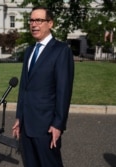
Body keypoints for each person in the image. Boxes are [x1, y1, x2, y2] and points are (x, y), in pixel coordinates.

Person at [12, 6, 74, 167]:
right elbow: (24, 87)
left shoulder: (61, 51)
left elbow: (63, 91)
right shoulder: (29, 50)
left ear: (50, 23)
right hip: (26, 126)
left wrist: (58, 124)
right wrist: (19, 117)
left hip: (46, 127)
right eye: (31, 20)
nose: (34, 24)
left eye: (39, 20)